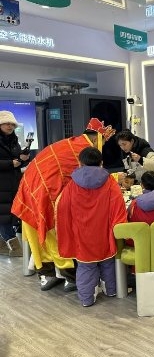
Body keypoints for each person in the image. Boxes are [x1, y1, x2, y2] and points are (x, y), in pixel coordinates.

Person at [11, 118, 115, 291]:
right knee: (59, 233)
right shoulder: (84, 150)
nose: (102, 146)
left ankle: (47, 273)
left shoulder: (70, 143)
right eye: (103, 142)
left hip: (30, 189)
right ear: (96, 138)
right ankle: (70, 276)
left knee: (40, 235)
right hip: (46, 192)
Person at [55, 147, 126, 307]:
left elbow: (63, 209)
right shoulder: (109, 182)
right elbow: (118, 206)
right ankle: (111, 290)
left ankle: (87, 299)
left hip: (81, 234)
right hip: (104, 232)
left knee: (86, 266)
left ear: (80, 163)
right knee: (108, 263)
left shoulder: (72, 184)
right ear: (101, 163)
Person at [0, 111, 29, 257]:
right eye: (6, 123)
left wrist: (23, 159)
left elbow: (17, 162)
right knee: (4, 216)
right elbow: (11, 163)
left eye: (12, 124)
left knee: (10, 214)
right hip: (2, 184)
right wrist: (10, 163)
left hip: (13, 184)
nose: (10, 126)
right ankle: (14, 246)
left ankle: (2, 246)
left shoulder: (14, 140)